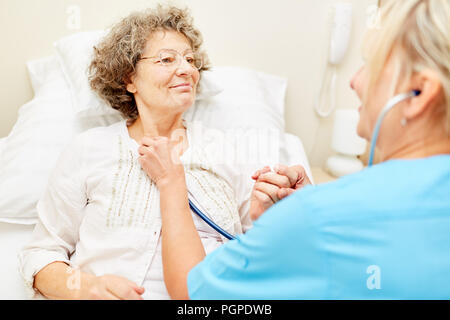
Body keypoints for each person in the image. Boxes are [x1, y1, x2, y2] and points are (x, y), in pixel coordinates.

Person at [139, 0, 450, 299]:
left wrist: (293, 225)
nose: (354, 82)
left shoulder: (320, 217)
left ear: (420, 93)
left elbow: (194, 290)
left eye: (371, 67)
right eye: (166, 59)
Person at [18, 5, 254, 300]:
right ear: (129, 78)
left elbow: (263, 247)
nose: (187, 69)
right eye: (167, 59)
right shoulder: (89, 149)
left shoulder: (225, 150)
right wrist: (86, 288)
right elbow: (41, 253)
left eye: (191, 59)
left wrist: (282, 205)